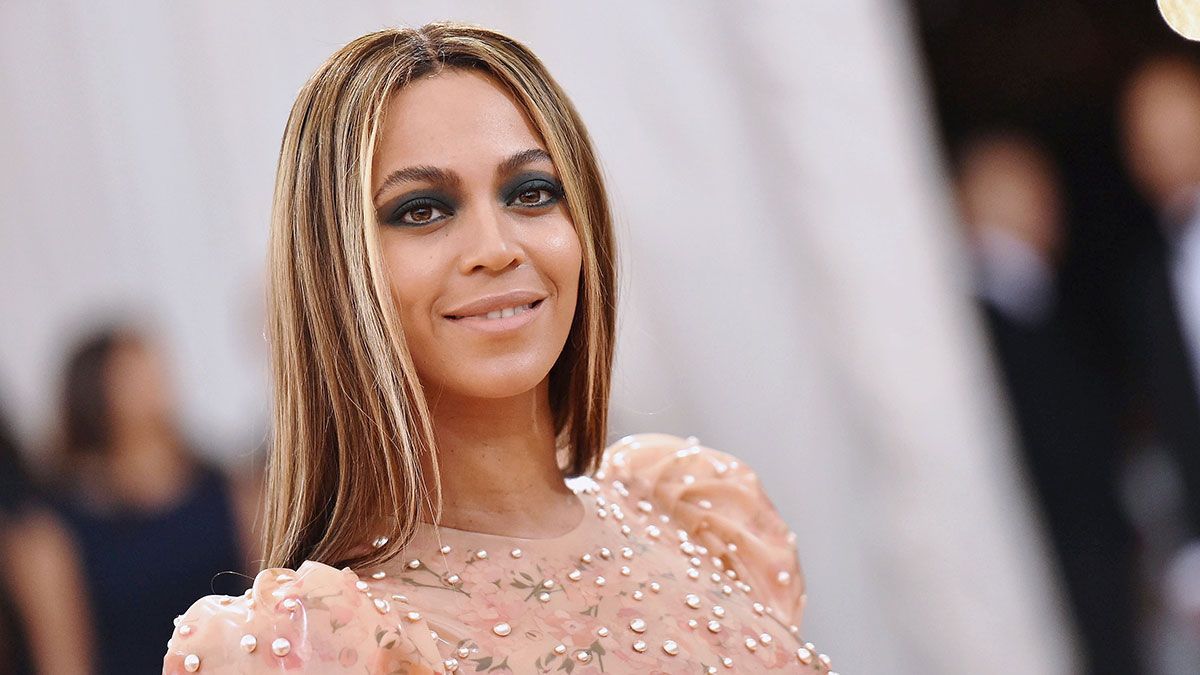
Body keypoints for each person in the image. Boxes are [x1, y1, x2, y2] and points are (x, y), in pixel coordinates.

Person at [162, 22, 825, 674]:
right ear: (337, 270)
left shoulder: (696, 515)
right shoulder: (323, 645)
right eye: (422, 209)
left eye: (532, 193)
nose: (497, 248)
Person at [955, 132, 1138, 673]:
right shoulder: (980, 323)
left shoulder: (1040, 305)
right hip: (1052, 564)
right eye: (1023, 187)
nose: (1046, 202)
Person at [38, 325, 256, 674]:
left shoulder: (224, 487)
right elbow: (65, 655)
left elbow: (263, 590)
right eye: (130, 376)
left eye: (153, 369)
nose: (152, 383)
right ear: (93, 392)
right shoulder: (59, 524)